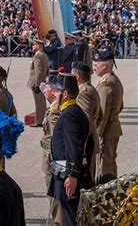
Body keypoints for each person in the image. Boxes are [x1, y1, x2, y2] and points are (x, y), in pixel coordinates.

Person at [47, 72, 94, 226]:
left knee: (69, 219)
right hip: (67, 173)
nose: (53, 94)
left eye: (57, 91)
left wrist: (72, 175)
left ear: (65, 94)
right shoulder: (74, 111)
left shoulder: (69, 115)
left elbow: (74, 146)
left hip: (68, 177)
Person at [92, 42, 123, 183]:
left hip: (106, 132)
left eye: (96, 65)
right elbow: (120, 106)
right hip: (113, 128)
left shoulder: (106, 85)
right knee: (110, 163)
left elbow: (102, 115)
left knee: (105, 168)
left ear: (104, 66)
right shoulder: (114, 80)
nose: (94, 68)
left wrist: (95, 137)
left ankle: (107, 199)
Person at [39, 74, 63, 225]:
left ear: (54, 90)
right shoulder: (53, 106)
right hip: (49, 155)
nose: (43, 90)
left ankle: (59, 223)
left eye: (46, 87)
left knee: (55, 195)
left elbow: (56, 137)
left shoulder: (56, 110)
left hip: (52, 157)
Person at [71, 62, 102, 182]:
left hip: (86, 146)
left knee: (85, 183)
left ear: (77, 77)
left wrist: (81, 151)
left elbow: (85, 124)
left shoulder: (83, 94)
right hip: (90, 141)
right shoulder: (91, 89)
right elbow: (100, 116)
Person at [27, 39, 49, 127]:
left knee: (39, 102)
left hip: (37, 82)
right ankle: (41, 119)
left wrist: (37, 84)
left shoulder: (38, 56)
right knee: (41, 102)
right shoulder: (44, 55)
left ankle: (39, 121)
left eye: (34, 45)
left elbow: (38, 71)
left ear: (38, 45)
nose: (32, 46)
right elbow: (46, 70)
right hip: (42, 81)